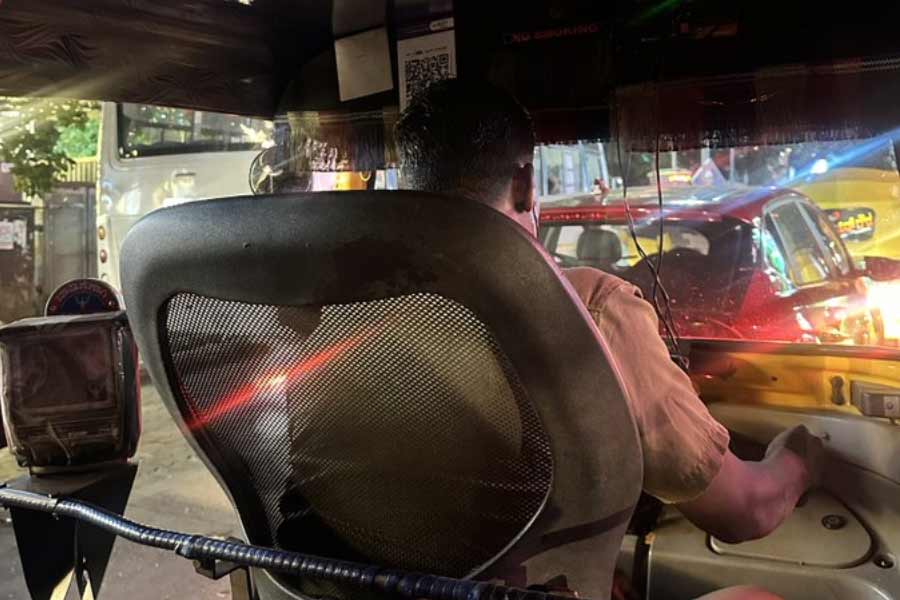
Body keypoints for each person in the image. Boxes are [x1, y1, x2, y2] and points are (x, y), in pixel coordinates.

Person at [394, 78, 824, 600]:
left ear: (409, 186)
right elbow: (744, 511)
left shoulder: (339, 320)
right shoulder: (589, 311)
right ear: (526, 185)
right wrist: (800, 457)